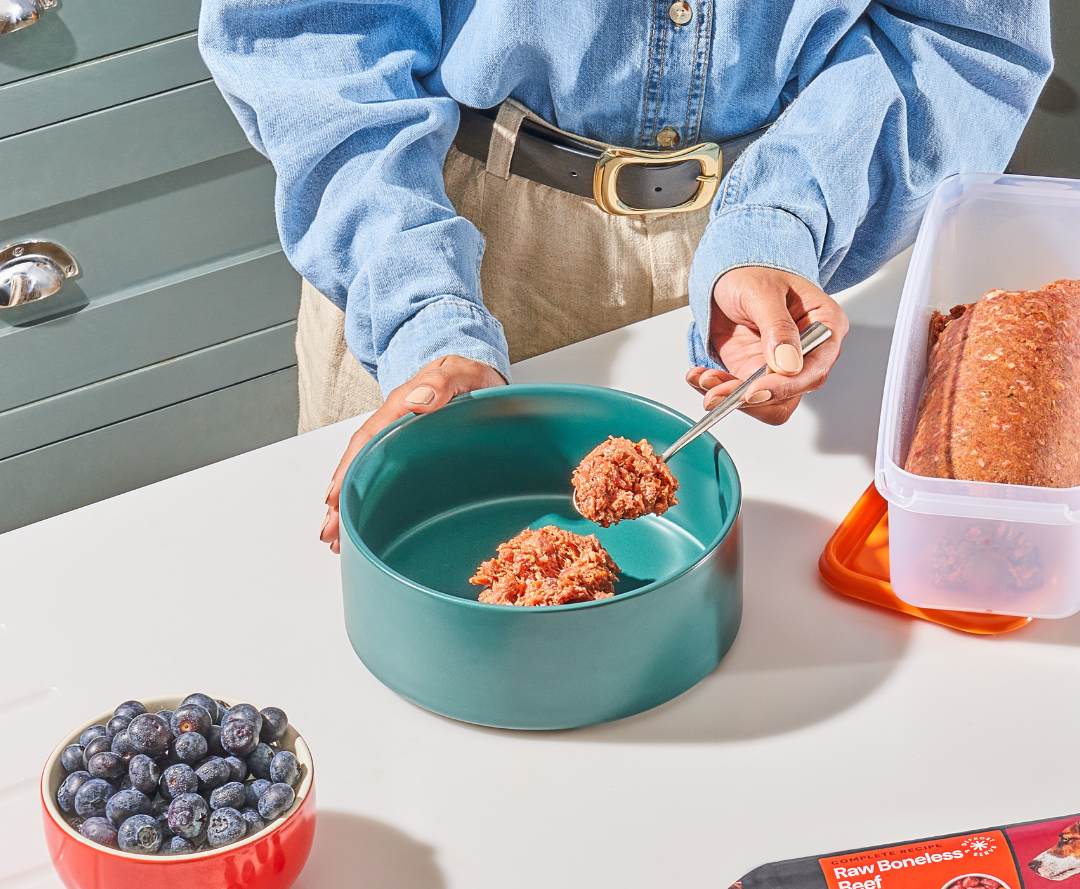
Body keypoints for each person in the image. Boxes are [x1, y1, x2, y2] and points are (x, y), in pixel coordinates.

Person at [199, 1, 1052, 552]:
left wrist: (782, 221)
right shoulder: (412, 272)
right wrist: (421, 313)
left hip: (802, 220)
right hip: (425, 218)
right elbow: (310, 38)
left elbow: (957, 37)